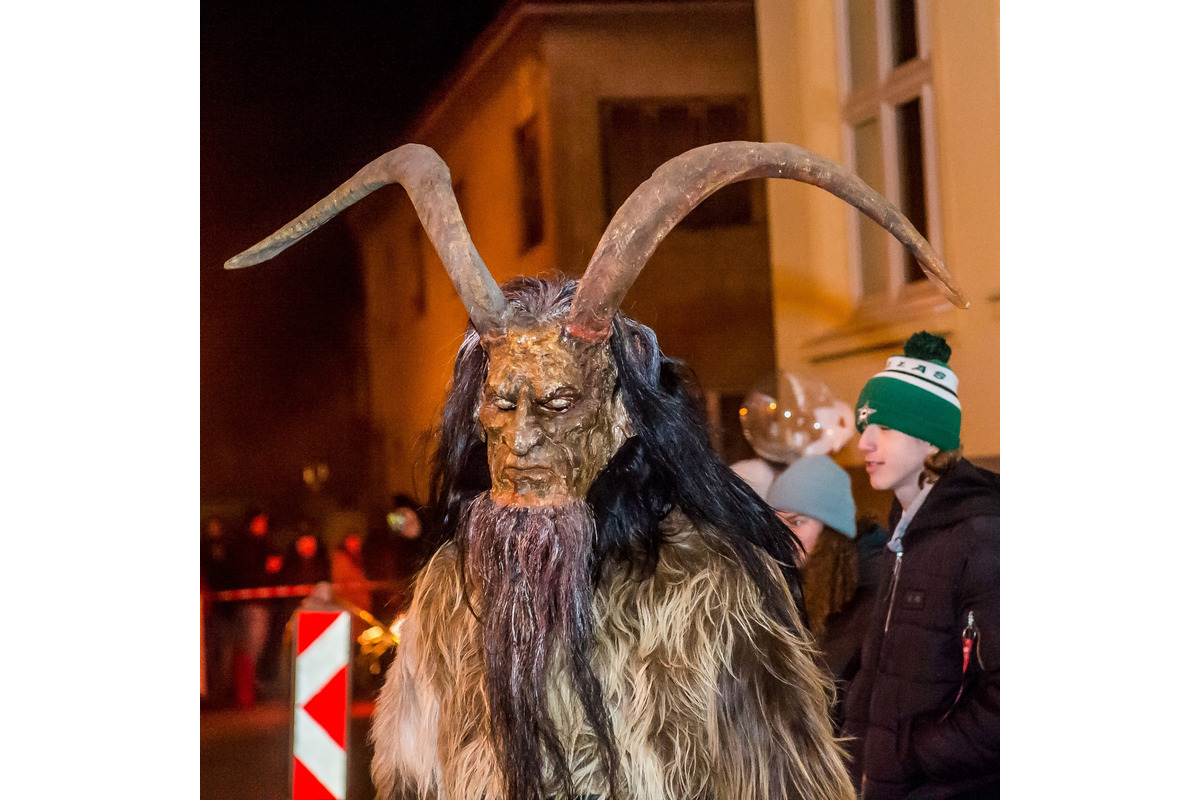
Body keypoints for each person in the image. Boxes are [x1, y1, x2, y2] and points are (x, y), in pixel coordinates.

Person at [227, 141, 969, 800]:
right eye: (502, 406)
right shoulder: (450, 601)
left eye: (555, 404)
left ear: (614, 419)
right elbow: (412, 778)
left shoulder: (710, 597)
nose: (520, 440)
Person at [843, 331, 1000, 799]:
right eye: (864, 427)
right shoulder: (905, 532)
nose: (864, 444)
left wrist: (915, 753)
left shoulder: (980, 535)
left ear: (931, 439)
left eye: (885, 428)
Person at [765, 455, 889, 729]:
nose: (784, 535)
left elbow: (829, 686)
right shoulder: (797, 578)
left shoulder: (870, 587)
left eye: (797, 523)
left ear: (832, 527)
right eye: (777, 523)